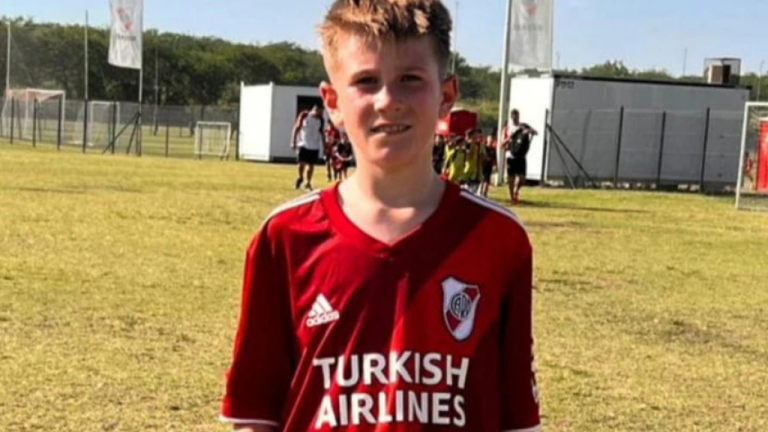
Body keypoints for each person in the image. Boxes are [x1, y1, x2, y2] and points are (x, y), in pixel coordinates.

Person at [220, 1, 540, 432]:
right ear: (332, 101)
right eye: (366, 81)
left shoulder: (498, 239)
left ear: (446, 95)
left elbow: (517, 419)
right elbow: (255, 415)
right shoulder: (285, 238)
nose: (388, 100)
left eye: (410, 79)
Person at [503, 109, 537, 205]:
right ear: (511, 117)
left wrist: (529, 131)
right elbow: (502, 143)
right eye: (514, 117)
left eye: (517, 117)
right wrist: (510, 138)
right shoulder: (507, 128)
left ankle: (516, 190)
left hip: (521, 155)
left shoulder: (523, 126)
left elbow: (535, 132)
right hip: (511, 155)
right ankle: (512, 197)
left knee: (522, 179)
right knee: (511, 178)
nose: (516, 119)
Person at [291, 105, 326, 191]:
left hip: (314, 146)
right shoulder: (305, 115)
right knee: (301, 164)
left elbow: (322, 134)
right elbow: (296, 128)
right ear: (315, 109)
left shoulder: (321, 120)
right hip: (303, 143)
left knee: (311, 165)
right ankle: (300, 177)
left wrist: (324, 146)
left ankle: (308, 182)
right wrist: (293, 141)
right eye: (320, 112)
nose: (321, 114)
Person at [462, 128, 486, 194]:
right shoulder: (467, 145)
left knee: (474, 190)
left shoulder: (480, 145)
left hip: (477, 171)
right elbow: (467, 156)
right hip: (468, 171)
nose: (477, 135)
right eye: (475, 134)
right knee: (467, 190)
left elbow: (483, 157)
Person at [480, 130, 497, 198]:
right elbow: (481, 155)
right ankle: (480, 192)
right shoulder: (484, 147)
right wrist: (486, 159)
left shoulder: (493, 149)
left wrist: (495, 165)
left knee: (487, 180)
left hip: (489, 166)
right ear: (487, 140)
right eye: (490, 140)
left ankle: (485, 193)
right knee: (482, 179)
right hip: (483, 165)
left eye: (492, 140)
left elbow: (494, 158)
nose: (491, 141)